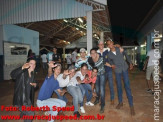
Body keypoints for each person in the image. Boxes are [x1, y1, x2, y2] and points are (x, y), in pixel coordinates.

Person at [106, 40, 135, 116]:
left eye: (111, 43)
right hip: (117, 71)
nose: (110, 45)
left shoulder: (120, 49)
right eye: (109, 44)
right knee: (119, 87)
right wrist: (112, 65)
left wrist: (130, 63)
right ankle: (120, 102)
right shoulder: (109, 54)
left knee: (127, 86)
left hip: (124, 68)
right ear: (108, 46)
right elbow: (109, 61)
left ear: (113, 43)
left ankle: (131, 106)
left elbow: (126, 55)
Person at [88, 48, 106, 113]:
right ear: (90, 54)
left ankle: (103, 105)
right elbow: (90, 69)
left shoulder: (101, 58)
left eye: (94, 52)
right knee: (97, 89)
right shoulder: (90, 60)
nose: (93, 54)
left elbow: (104, 65)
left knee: (102, 89)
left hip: (102, 74)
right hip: (96, 76)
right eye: (91, 53)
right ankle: (98, 99)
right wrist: (91, 75)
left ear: (96, 53)